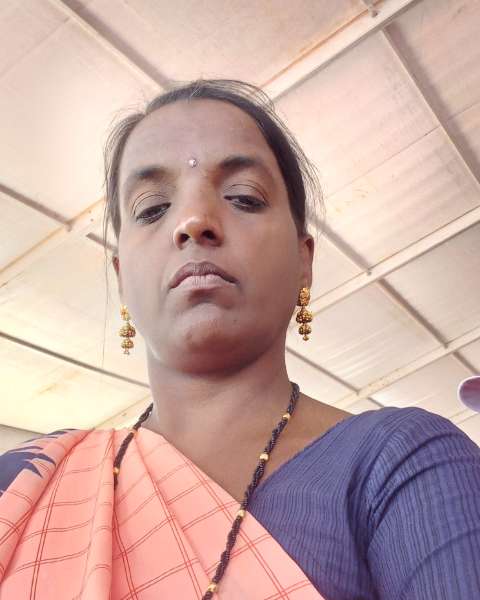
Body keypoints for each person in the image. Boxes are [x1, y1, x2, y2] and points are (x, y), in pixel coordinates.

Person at [0, 79, 479, 600]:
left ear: (304, 261)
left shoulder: (403, 464)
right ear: (121, 276)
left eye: (244, 198)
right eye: (152, 208)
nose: (193, 221)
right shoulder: (27, 486)